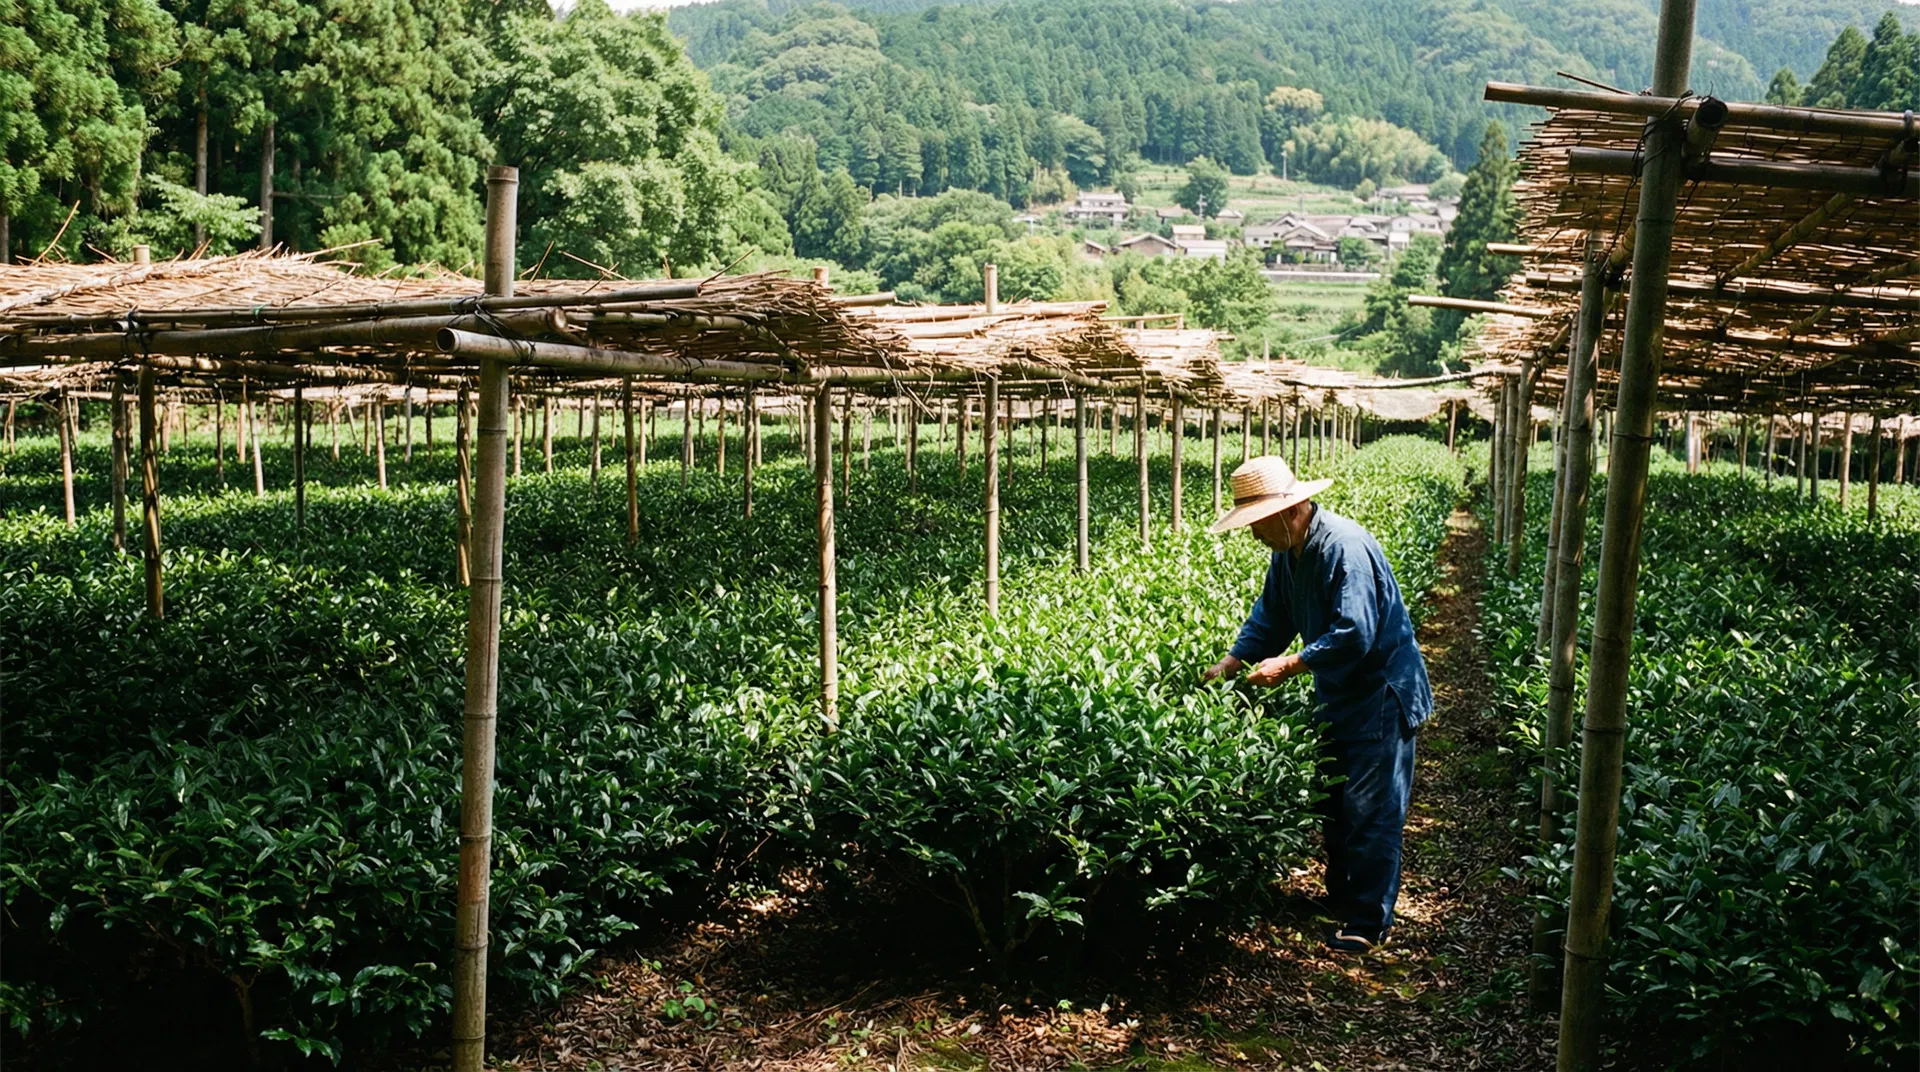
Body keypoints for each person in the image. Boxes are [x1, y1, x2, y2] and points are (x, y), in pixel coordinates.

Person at [1201, 455, 1432, 953]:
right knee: (1335, 805)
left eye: (1258, 524)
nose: (1255, 535)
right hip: (1340, 695)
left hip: (1380, 696)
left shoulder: (1343, 548)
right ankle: (1344, 899)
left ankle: (1368, 921)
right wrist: (1233, 661)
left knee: (1371, 811)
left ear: (1289, 511)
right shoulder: (1288, 553)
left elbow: (1355, 633)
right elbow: (1272, 616)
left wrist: (1289, 666)